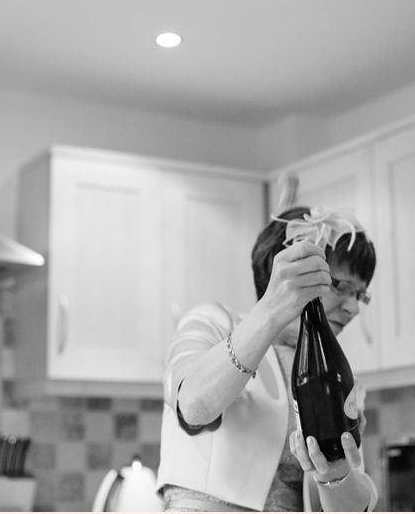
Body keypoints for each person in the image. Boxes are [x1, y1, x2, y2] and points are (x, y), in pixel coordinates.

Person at [156, 205, 379, 512]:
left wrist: (336, 474)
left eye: (361, 295)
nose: (353, 309)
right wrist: (273, 310)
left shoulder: (334, 373)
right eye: (342, 287)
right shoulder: (213, 323)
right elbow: (192, 406)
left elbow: (353, 506)